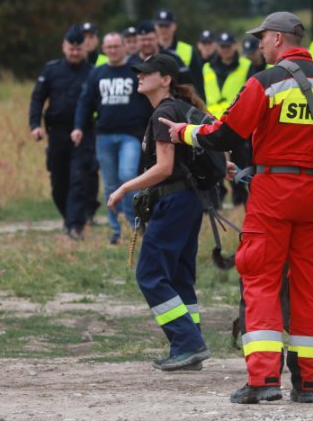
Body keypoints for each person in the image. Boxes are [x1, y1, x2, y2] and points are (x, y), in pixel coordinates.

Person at [160, 12, 313, 405]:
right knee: (308, 286)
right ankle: (308, 384)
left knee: (261, 280)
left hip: (273, 192)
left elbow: (226, 134)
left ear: (280, 40)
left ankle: (264, 379)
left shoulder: (266, 83)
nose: (258, 45)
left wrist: (184, 132)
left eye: (263, 38)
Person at [107, 53, 211, 371]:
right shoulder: (178, 108)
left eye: (146, 73)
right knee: (179, 275)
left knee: (150, 274)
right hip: (191, 201)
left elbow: (164, 168)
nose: (139, 76)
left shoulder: (164, 112)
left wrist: (125, 188)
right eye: (138, 72)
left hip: (175, 201)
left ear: (165, 79)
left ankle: (188, 342)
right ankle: (189, 344)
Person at [73, 32, 153, 244]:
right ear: (103, 49)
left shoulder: (136, 70)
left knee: (127, 177)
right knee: (110, 185)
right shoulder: (97, 73)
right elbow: (85, 102)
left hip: (131, 135)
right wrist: (79, 127)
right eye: (109, 47)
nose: (113, 50)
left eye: (116, 46)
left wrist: (151, 129)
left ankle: (132, 224)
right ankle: (117, 230)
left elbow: (149, 99)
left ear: (125, 47)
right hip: (104, 136)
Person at [28, 24, 95, 240]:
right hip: (56, 133)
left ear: (85, 48)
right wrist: (34, 125)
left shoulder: (93, 73)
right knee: (59, 183)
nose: (75, 52)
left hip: (83, 134)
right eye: (71, 48)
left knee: (78, 179)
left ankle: (75, 226)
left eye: (79, 49)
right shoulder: (51, 70)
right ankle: (70, 219)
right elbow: (38, 98)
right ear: (64, 47)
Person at [204, 31, 253, 206]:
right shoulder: (207, 67)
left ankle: (239, 198)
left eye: (228, 46)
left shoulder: (246, 66)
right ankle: (218, 197)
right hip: (212, 119)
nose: (225, 50)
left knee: (239, 160)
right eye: (222, 47)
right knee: (213, 160)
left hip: (236, 119)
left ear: (234, 46)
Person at [155, 8, 206, 101]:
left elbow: (198, 83)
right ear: (155, 27)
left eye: (167, 26)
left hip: (182, 102)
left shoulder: (188, 50)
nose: (163, 29)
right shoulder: (152, 50)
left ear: (174, 26)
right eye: (160, 25)